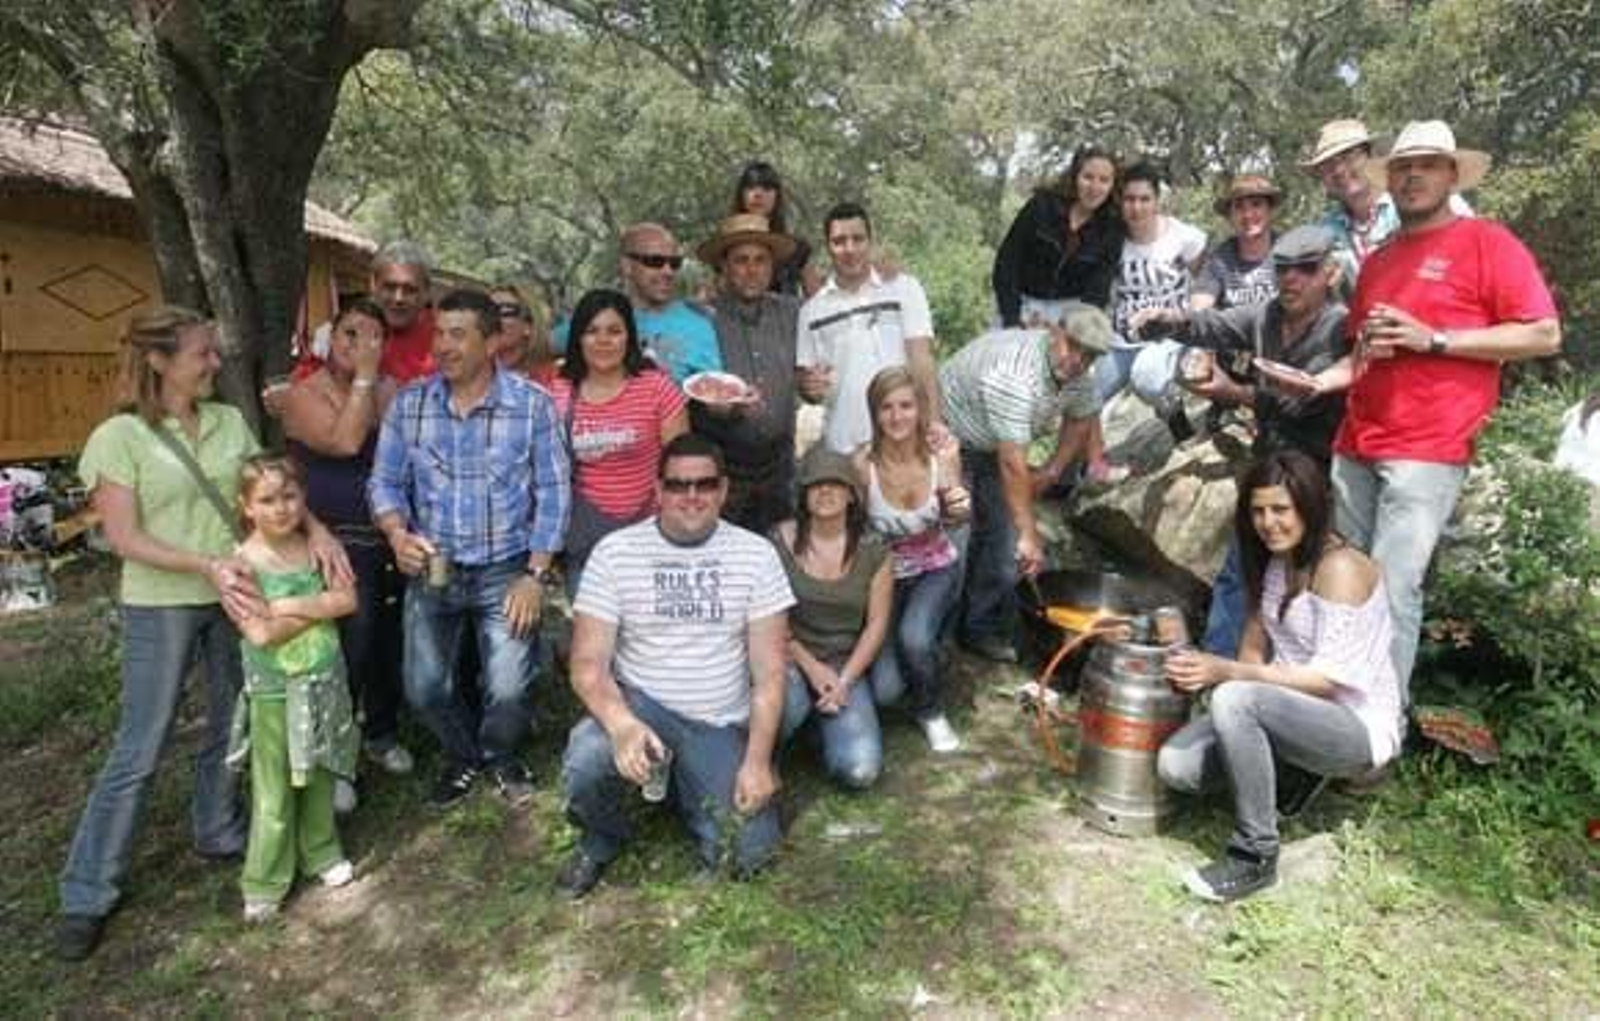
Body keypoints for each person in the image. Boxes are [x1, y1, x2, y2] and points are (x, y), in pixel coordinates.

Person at [55, 307, 348, 961]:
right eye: (202, 354)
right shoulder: (119, 436)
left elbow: (267, 491)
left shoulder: (227, 421)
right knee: (142, 744)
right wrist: (207, 565)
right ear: (159, 361)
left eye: (214, 352)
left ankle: (217, 828)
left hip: (235, 598)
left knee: (231, 722)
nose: (216, 363)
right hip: (162, 603)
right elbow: (124, 537)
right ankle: (87, 891)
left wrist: (319, 530)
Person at [1287, 121, 1561, 705]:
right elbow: (1363, 354)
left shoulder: (1486, 241)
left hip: (1429, 446)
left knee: (1393, 588)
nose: (1413, 176)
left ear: (1452, 175)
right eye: (1403, 167)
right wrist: (1316, 381)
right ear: (1389, 180)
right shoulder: (1381, 261)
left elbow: (1542, 333)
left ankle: (1381, 723)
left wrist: (1435, 339)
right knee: (1342, 578)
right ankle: (1333, 712)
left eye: (1428, 165)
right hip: (1357, 441)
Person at [1158, 451, 1403, 903]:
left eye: (1280, 509)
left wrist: (1229, 675)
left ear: (1310, 506)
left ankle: (1255, 855)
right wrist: (1214, 676)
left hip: (1353, 725)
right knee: (1177, 767)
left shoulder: (1341, 568)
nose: (1268, 523)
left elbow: (1329, 682)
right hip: (1286, 710)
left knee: (1235, 698)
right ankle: (1288, 774)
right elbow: (1253, 644)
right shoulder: (1275, 561)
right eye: (1258, 511)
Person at [557, 435, 793, 897]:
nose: (691, 496)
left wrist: (758, 761)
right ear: (658, 489)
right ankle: (600, 838)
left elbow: (769, 674)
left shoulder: (756, 555)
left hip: (716, 721)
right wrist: (622, 725)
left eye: (705, 484)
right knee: (587, 757)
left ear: (723, 490)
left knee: (750, 855)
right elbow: (587, 664)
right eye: (678, 485)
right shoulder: (616, 552)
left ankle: (686, 786)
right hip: (642, 707)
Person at [368, 289, 571, 809]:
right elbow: (384, 482)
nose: (443, 345)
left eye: (458, 334)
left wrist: (536, 575)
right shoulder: (411, 405)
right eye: (439, 333)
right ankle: (463, 755)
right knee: (424, 689)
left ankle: (500, 756)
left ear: (491, 341)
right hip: (432, 568)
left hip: (506, 569)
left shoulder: (532, 406)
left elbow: (553, 492)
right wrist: (396, 534)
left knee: (509, 689)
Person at [1131, 226, 1349, 658]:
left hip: (1314, 475)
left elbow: (1297, 404)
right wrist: (1168, 321)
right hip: (1267, 463)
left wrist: (1232, 392)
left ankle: (1284, 676)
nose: (1291, 279)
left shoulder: (1340, 329)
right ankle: (1218, 668)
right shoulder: (1267, 314)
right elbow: (1213, 325)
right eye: (1283, 269)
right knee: (1240, 570)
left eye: (1305, 269)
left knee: (1300, 580)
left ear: (1329, 273)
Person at [281, 299, 411, 812]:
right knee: (349, 643)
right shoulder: (302, 393)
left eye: (371, 336)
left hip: (385, 531)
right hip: (331, 537)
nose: (358, 345)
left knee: (386, 639)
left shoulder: (391, 390)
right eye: (349, 334)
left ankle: (380, 731)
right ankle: (335, 753)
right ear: (329, 338)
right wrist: (364, 381)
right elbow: (346, 441)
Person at [940, 303, 1114, 662]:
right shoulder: (1017, 376)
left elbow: (1083, 416)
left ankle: (977, 628)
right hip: (949, 439)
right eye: (1073, 346)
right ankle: (937, 641)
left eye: (1089, 355)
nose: (1078, 360)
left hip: (995, 443)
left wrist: (1051, 471)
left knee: (1002, 544)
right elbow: (1012, 463)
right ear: (1055, 333)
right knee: (955, 542)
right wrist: (1030, 534)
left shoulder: (1078, 375)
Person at [227, 455, 359, 922]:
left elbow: (348, 600)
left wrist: (285, 605)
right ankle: (265, 879)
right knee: (275, 785)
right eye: (266, 500)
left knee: (320, 771)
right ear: (246, 506)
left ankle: (321, 851)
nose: (281, 508)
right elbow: (260, 633)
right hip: (275, 689)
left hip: (324, 678)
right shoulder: (241, 564)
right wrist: (319, 607)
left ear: (304, 498)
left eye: (289, 496)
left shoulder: (319, 548)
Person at [856, 366, 970, 751]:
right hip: (885, 578)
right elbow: (853, 530)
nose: (896, 416)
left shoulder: (942, 454)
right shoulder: (862, 464)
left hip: (936, 567)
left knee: (914, 637)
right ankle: (928, 665)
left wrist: (960, 508)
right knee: (886, 691)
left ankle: (931, 711)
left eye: (906, 406)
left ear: (920, 409)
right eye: (886, 407)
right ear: (874, 413)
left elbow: (956, 518)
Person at [548, 289, 690, 588]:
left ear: (629, 337)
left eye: (614, 331)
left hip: (650, 539)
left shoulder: (657, 388)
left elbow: (681, 467)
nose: (603, 340)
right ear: (578, 338)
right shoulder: (558, 391)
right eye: (592, 331)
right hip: (587, 543)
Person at [776, 449, 894, 786]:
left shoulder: (874, 548)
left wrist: (843, 682)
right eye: (815, 484)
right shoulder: (777, 541)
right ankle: (772, 750)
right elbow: (771, 619)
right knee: (789, 707)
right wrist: (813, 669)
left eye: (835, 483)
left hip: (844, 660)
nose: (825, 491)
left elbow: (876, 625)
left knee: (860, 771)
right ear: (803, 494)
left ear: (851, 495)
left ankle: (820, 728)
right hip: (790, 655)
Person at [797, 201, 942, 454]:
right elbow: (808, 385)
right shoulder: (811, 311)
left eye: (858, 239)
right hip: (842, 447)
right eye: (839, 241)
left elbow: (922, 359)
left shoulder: (904, 288)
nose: (849, 249)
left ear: (870, 242)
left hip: (904, 444)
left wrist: (934, 423)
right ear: (828, 247)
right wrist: (810, 388)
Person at [692, 213, 802, 535]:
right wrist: (721, 408)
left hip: (780, 469)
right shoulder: (701, 319)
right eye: (741, 260)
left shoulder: (794, 313)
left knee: (780, 553)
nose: (752, 270)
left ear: (772, 266)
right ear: (724, 266)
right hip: (722, 469)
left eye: (760, 260)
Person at [1301, 118, 1472, 299]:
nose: (1339, 170)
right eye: (1327, 165)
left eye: (1349, 157)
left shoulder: (1431, 204)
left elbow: (1469, 264)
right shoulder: (1323, 234)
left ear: (1372, 157)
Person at [1097, 161, 1208, 419]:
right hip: (1122, 341)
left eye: (1145, 199)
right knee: (1085, 399)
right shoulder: (1112, 240)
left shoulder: (1183, 237)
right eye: (1130, 199)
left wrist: (1195, 326)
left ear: (1157, 200)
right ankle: (1086, 449)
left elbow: (1207, 287)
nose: (1137, 207)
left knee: (1146, 376)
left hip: (1170, 336)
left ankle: (1177, 421)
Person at [991, 144, 1124, 329]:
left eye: (1104, 180)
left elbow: (1098, 291)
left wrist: (1066, 328)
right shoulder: (1041, 206)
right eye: (1088, 177)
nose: (1094, 187)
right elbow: (1007, 262)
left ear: (1112, 185)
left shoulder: (1112, 227)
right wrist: (1013, 317)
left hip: (1072, 312)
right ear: (1075, 177)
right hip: (1022, 303)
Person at [730, 160, 820, 297]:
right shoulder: (725, 246)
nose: (758, 194)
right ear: (741, 195)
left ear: (777, 196)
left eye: (766, 188)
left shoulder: (797, 249)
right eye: (751, 187)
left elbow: (818, 301)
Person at [1192, 174, 1281, 313]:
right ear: (1230, 216)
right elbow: (1199, 307)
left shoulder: (1290, 251)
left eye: (1256, 204)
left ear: (1270, 210)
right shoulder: (1219, 260)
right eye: (1239, 207)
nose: (1248, 215)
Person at [489, 283, 559, 387]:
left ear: (528, 326)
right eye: (485, 312)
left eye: (504, 312)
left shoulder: (553, 382)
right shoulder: (470, 371)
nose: (492, 319)